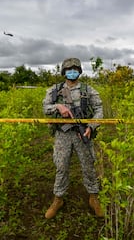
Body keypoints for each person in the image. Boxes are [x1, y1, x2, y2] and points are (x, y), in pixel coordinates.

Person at [42, 57, 104, 219]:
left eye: (75, 69)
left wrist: (91, 126)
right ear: (63, 72)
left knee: (89, 165)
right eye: (69, 69)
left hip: (82, 133)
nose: (72, 72)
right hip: (62, 134)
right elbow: (45, 108)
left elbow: (99, 109)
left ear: (79, 71)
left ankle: (93, 197)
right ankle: (58, 198)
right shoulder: (54, 90)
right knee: (61, 166)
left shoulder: (88, 90)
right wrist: (58, 106)